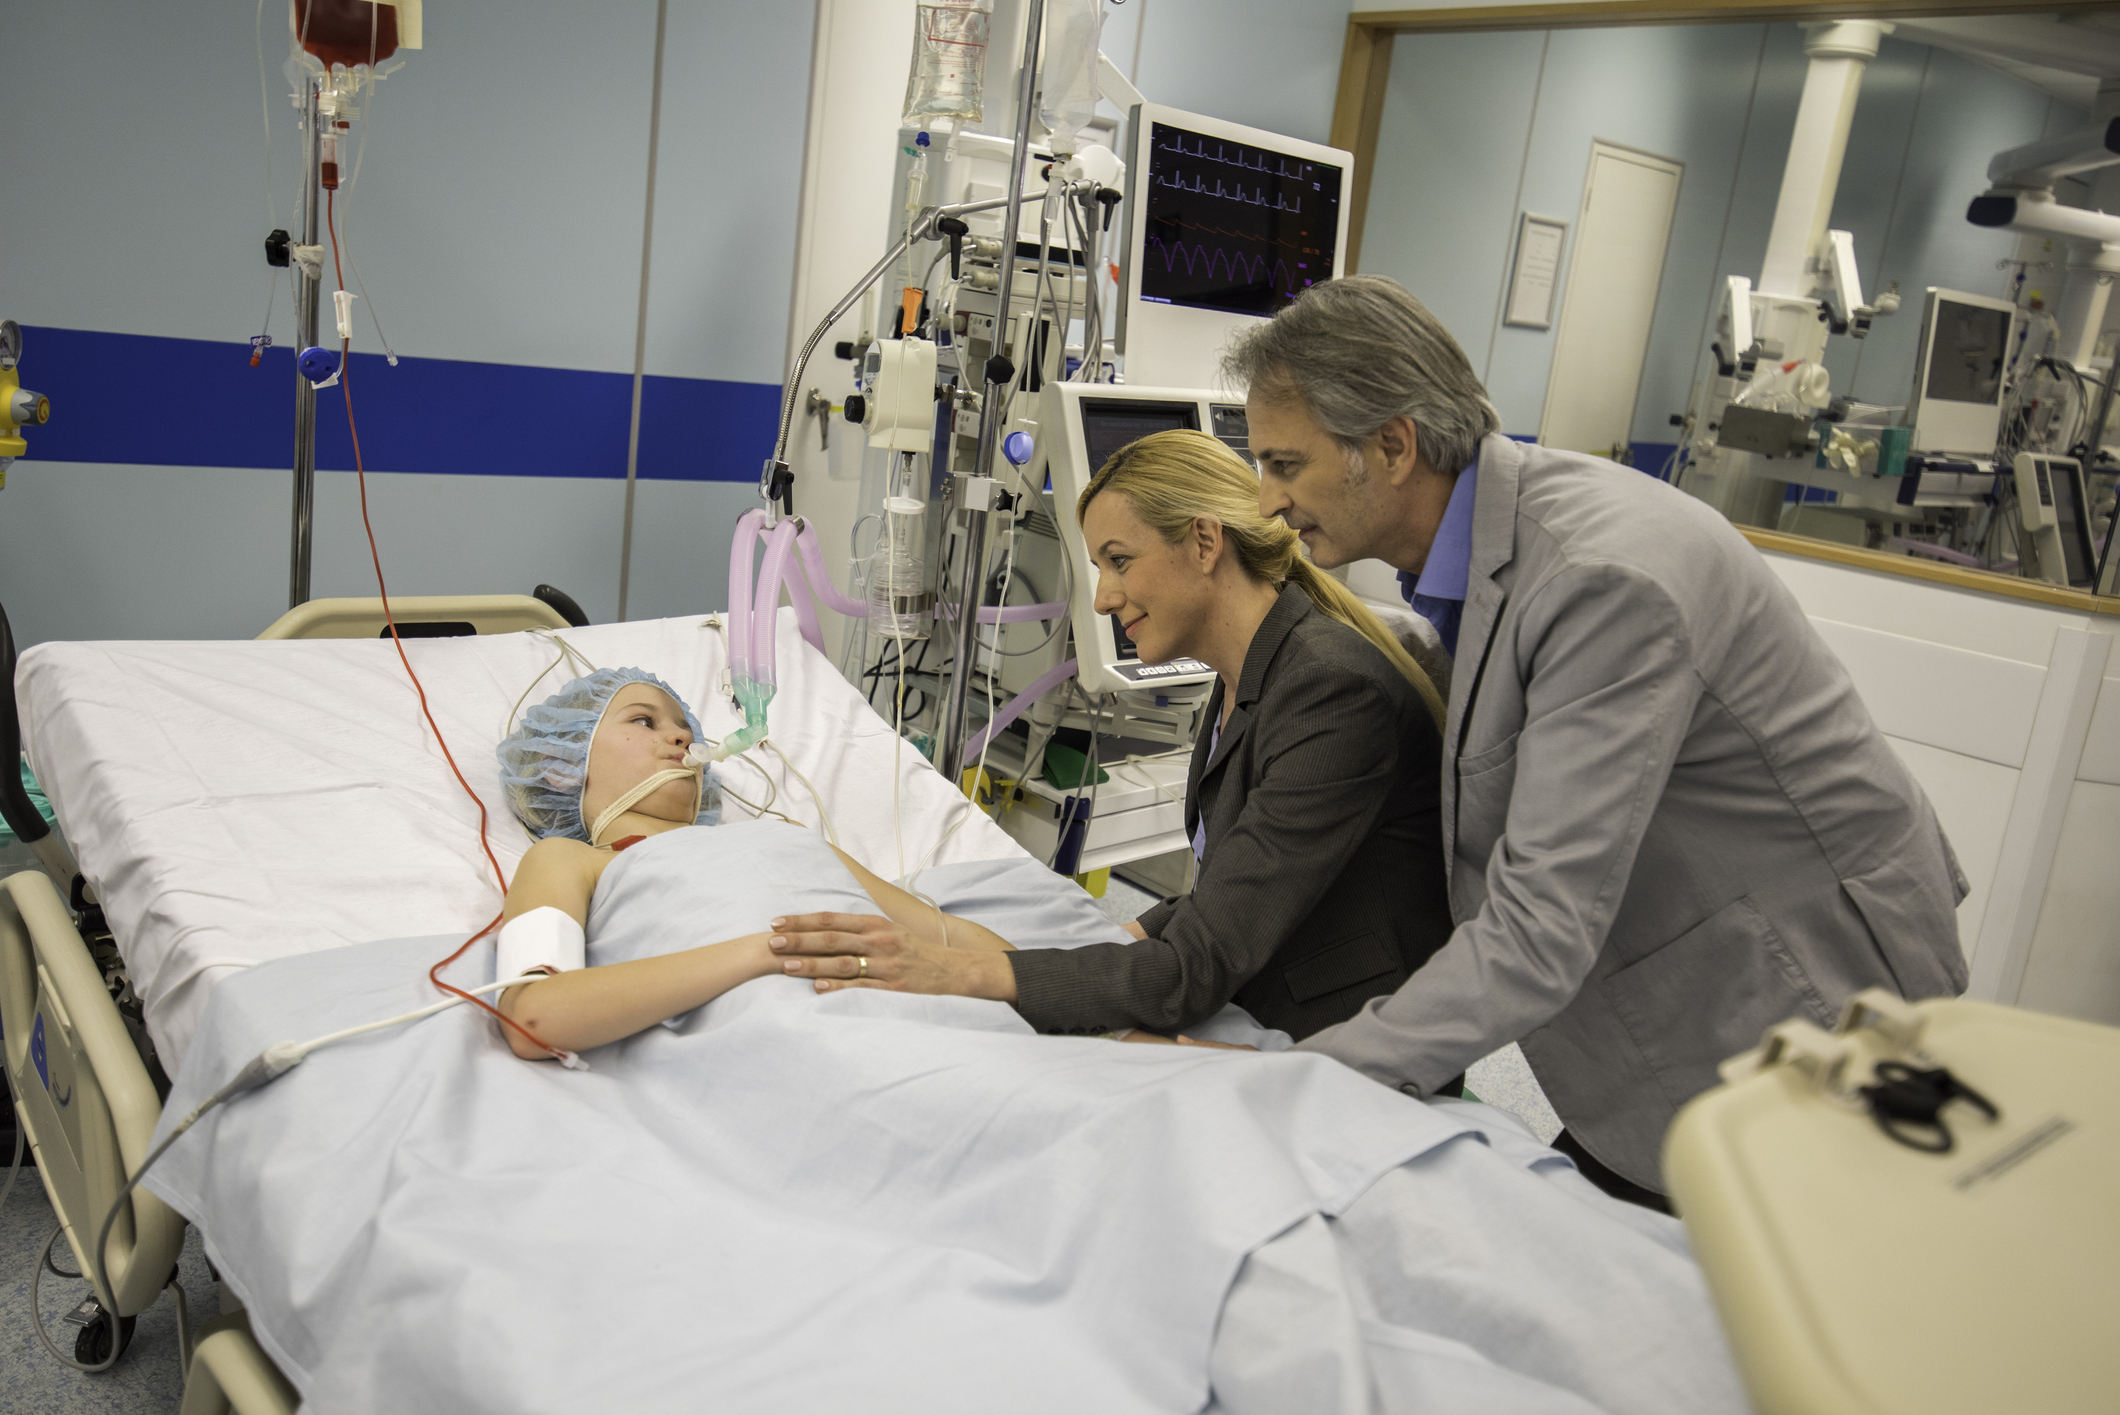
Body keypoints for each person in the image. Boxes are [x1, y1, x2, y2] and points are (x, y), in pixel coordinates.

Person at [1224, 274, 1970, 1206]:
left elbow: (1539, 928)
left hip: (1808, 986)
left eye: (1284, 466)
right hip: (1678, 988)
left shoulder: (1600, 582)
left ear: (1392, 445)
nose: (1264, 502)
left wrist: (1299, 1079)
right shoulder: (1473, 561)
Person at [769, 428, 1454, 1042]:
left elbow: (1192, 969)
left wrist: (964, 970)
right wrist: (1128, 934)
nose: (1101, 597)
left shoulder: (1331, 694)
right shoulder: (1248, 675)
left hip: (1336, 1038)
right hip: (1255, 982)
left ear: (1205, 542)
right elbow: (1241, 884)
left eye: (1119, 560)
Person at [487, 667, 1020, 1059]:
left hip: (941, 1024)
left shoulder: (783, 836)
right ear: (560, 768)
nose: (681, 736)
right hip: (799, 1040)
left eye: (682, 726)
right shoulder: (571, 861)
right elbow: (534, 1014)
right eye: (644, 721)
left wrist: (1066, 998)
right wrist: (767, 952)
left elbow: (947, 936)